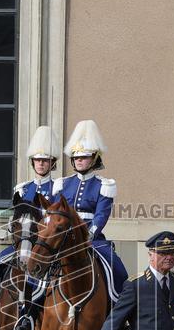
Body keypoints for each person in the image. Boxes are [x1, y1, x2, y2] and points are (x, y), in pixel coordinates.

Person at [0, 125, 59, 330]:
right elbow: (14, 218)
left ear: (52, 163)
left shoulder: (58, 188)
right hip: (22, 243)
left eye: (45, 160)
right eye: (37, 160)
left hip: (45, 247)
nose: (41, 164)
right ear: (33, 162)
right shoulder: (22, 188)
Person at [54, 120, 129, 303]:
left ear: (94, 158)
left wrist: (88, 235)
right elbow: (55, 216)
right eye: (76, 157)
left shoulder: (104, 184)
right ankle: (30, 312)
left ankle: (121, 313)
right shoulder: (62, 184)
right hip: (63, 239)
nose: (79, 160)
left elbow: (101, 215)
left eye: (84, 157)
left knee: (118, 269)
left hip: (92, 239)